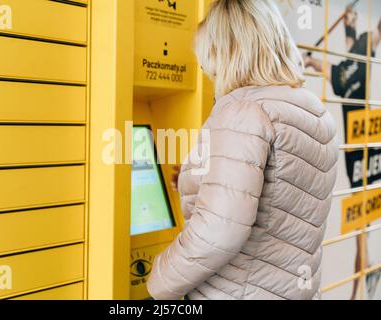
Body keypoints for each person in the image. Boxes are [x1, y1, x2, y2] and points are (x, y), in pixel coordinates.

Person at [146, 0, 339, 300]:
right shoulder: (313, 111)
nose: (208, 72)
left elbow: (218, 232)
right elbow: (282, 202)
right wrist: (203, 180)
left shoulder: (242, 111)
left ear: (228, 52)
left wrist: (158, 281)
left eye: (208, 59)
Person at [304, 6, 381, 300]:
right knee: (362, 221)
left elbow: (323, 64)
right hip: (358, 149)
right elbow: (341, 55)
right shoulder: (351, 66)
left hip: (361, 147)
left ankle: (357, 287)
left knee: (363, 221)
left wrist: (309, 59)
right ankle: (361, 279)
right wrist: (307, 59)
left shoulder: (346, 68)